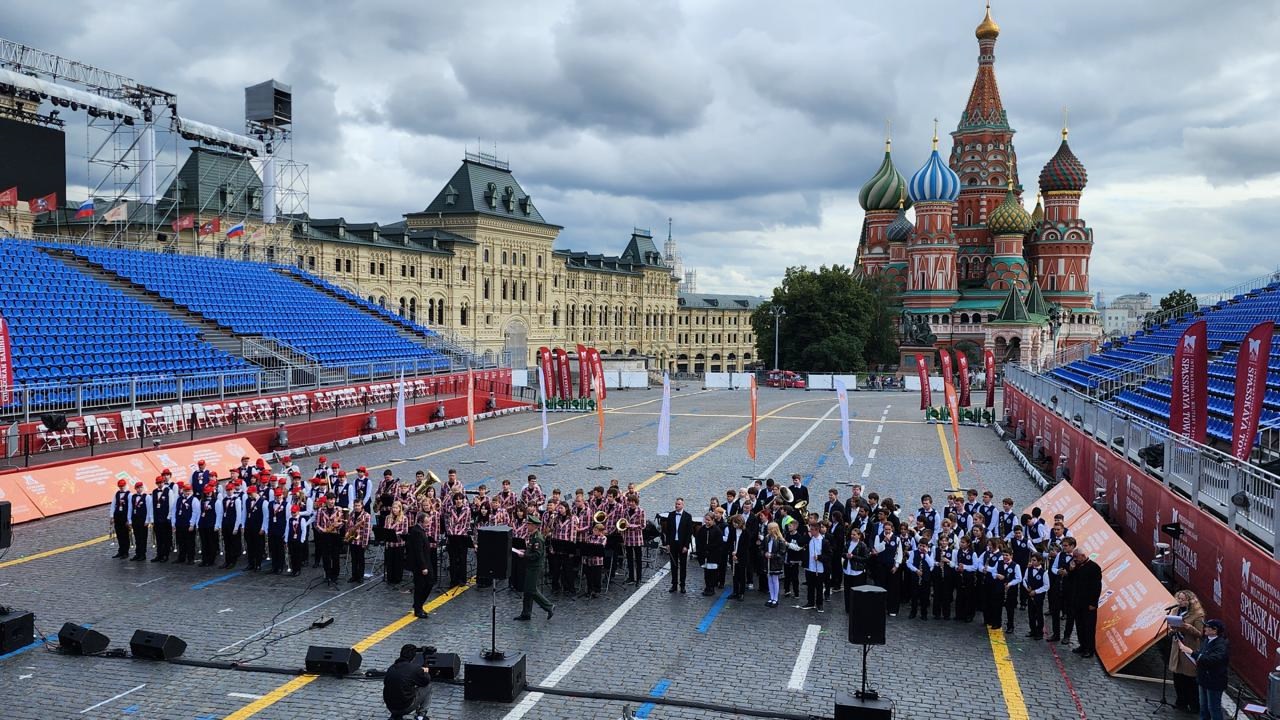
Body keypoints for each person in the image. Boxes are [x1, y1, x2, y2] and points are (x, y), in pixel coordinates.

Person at [1179, 619, 1228, 720]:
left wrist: (1192, 653)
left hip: (1214, 681)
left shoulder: (1221, 645)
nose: (1205, 629)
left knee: (1213, 708)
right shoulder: (1207, 640)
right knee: (1203, 707)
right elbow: (1202, 654)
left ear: (1215, 630)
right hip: (1203, 678)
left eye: (1207, 627)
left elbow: (1212, 660)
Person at [1168, 590, 1206, 713]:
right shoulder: (1175, 611)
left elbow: (1200, 634)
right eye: (1178, 599)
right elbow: (1171, 626)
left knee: (1189, 679)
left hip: (1189, 648)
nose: (1180, 601)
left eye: (1183, 599)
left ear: (1190, 601)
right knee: (1177, 677)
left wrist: (1188, 627)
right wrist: (1171, 630)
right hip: (1177, 647)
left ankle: (1194, 704)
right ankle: (1181, 702)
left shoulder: (1198, 615)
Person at [513, 515, 554, 621]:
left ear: (534, 526)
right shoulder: (533, 536)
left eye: (529, 524)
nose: (527, 526)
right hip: (530, 566)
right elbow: (531, 550)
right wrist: (525, 551)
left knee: (531, 590)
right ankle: (526, 613)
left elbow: (537, 554)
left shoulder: (537, 538)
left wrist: (524, 555)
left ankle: (549, 606)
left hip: (534, 567)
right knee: (527, 590)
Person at [383, 644, 432, 720]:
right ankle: (421, 715)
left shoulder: (391, 667)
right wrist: (425, 672)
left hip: (390, 707)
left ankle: (395, 716)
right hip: (405, 707)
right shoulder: (414, 669)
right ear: (413, 657)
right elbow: (426, 681)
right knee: (428, 686)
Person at [1071, 547, 1102, 658]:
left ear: (1083, 556)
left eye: (1076, 557)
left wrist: (1093, 603)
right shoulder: (1077, 566)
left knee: (1089, 627)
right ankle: (1082, 645)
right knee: (1079, 625)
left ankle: (1089, 649)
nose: (1075, 559)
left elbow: (1097, 587)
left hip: (1089, 604)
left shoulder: (1094, 567)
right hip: (1078, 602)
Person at [663, 498, 694, 594]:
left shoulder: (688, 516)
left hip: (682, 544)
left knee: (683, 566)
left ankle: (682, 585)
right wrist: (667, 543)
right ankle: (674, 584)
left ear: (682, 505)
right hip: (673, 543)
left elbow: (689, 533)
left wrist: (686, 546)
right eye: (676, 504)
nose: (677, 505)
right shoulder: (671, 515)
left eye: (679, 504)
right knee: (673, 565)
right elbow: (668, 531)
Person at [406, 519, 434, 618]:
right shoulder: (417, 532)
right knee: (420, 586)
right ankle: (418, 608)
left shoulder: (420, 530)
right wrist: (423, 567)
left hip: (425, 562)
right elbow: (419, 551)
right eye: (427, 522)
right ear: (421, 522)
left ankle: (418, 605)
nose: (429, 524)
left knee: (429, 583)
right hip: (420, 565)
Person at [800, 522, 829, 612]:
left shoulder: (824, 541)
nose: (810, 531)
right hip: (809, 567)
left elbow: (829, 555)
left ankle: (819, 604)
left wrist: (819, 557)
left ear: (817, 530)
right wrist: (807, 536)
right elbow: (800, 542)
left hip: (819, 568)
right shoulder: (809, 539)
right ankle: (810, 602)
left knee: (819, 587)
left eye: (811, 530)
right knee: (810, 586)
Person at [109, 479, 131, 559]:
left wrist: (129, 519)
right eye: (120, 486)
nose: (121, 487)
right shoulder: (117, 494)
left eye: (122, 486)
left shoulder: (129, 494)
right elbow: (113, 505)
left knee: (125, 535)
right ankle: (120, 550)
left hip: (124, 518)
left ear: (125, 485)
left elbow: (130, 508)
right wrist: (112, 516)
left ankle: (126, 552)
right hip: (117, 517)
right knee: (119, 535)